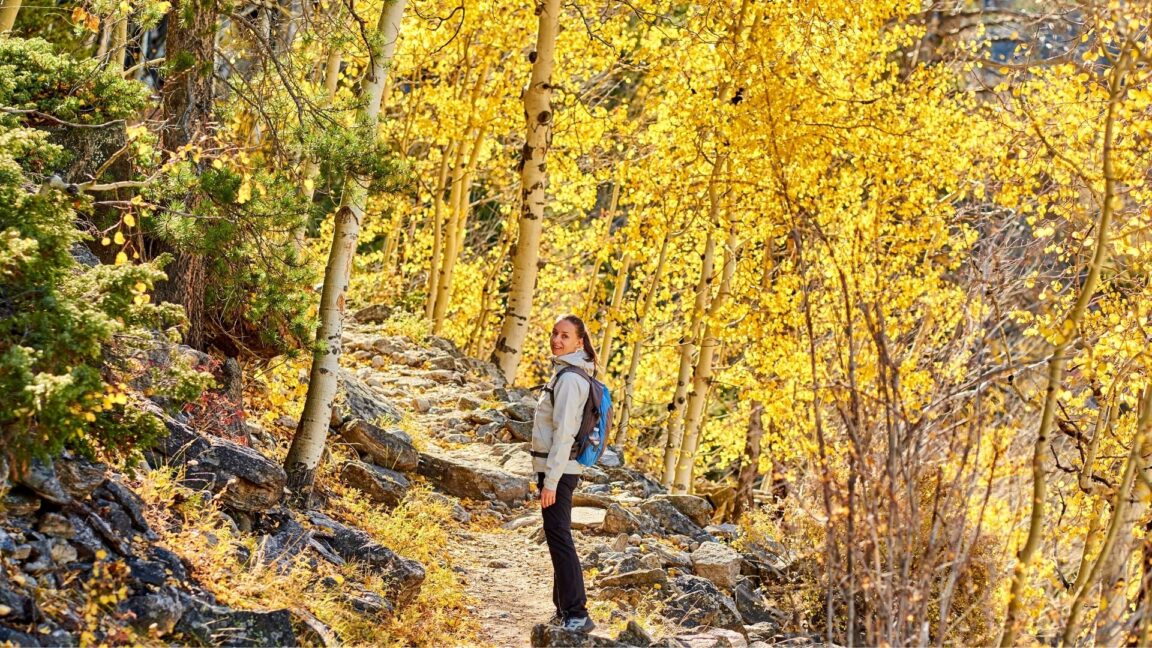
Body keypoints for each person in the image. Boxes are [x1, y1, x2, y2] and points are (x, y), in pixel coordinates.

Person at [531, 314, 597, 633]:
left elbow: (564, 434)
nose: (557, 340)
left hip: (558, 472)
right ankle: (563, 610)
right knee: (557, 538)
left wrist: (551, 481)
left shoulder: (570, 379)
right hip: (555, 470)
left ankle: (577, 613)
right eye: (555, 333)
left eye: (565, 336)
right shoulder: (566, 373)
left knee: (560, 539)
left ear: (579, 342)